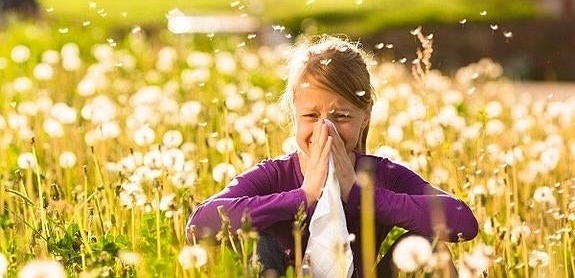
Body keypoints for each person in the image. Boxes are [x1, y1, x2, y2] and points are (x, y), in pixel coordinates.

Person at [186, 36, 478, 277]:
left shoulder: (382, 174)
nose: (325, 129)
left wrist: (360, 195)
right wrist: (304, 196)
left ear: (365, 117)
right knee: (251, 243)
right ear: (294, 115)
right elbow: (198, 225)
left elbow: (463, 221)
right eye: (311, 115)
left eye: (341, 116)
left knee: (431, 247)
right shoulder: (275, 174)